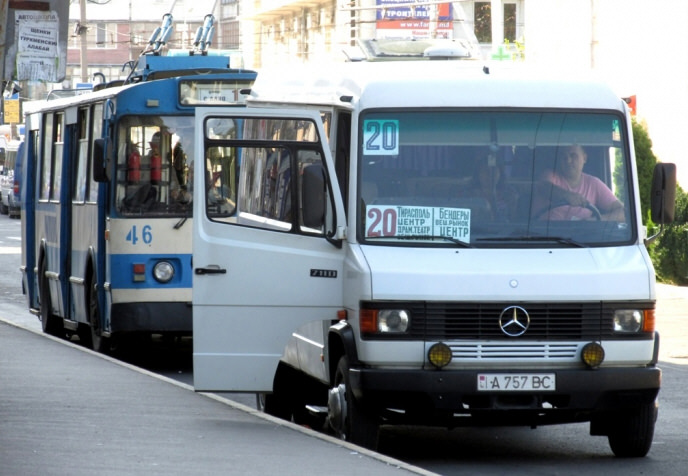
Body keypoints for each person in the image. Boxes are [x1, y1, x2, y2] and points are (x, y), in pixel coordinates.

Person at [537, 144, 624, 221]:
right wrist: (566, 195)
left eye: (573, 155)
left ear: (584, 158)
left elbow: (623, 213)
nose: (568, 160)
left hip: (581, 238)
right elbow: (544, 187)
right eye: (563, 156)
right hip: (545, 236)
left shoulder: (594, 184)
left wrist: (598, 221)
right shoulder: (550, 176)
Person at [468, 154, 518, 221]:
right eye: (485, 170)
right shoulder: (469, 195)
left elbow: (513, 221)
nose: (490, 175)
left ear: (500, 173)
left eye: (494, 170)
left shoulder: (509, 194)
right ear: (478, 174)